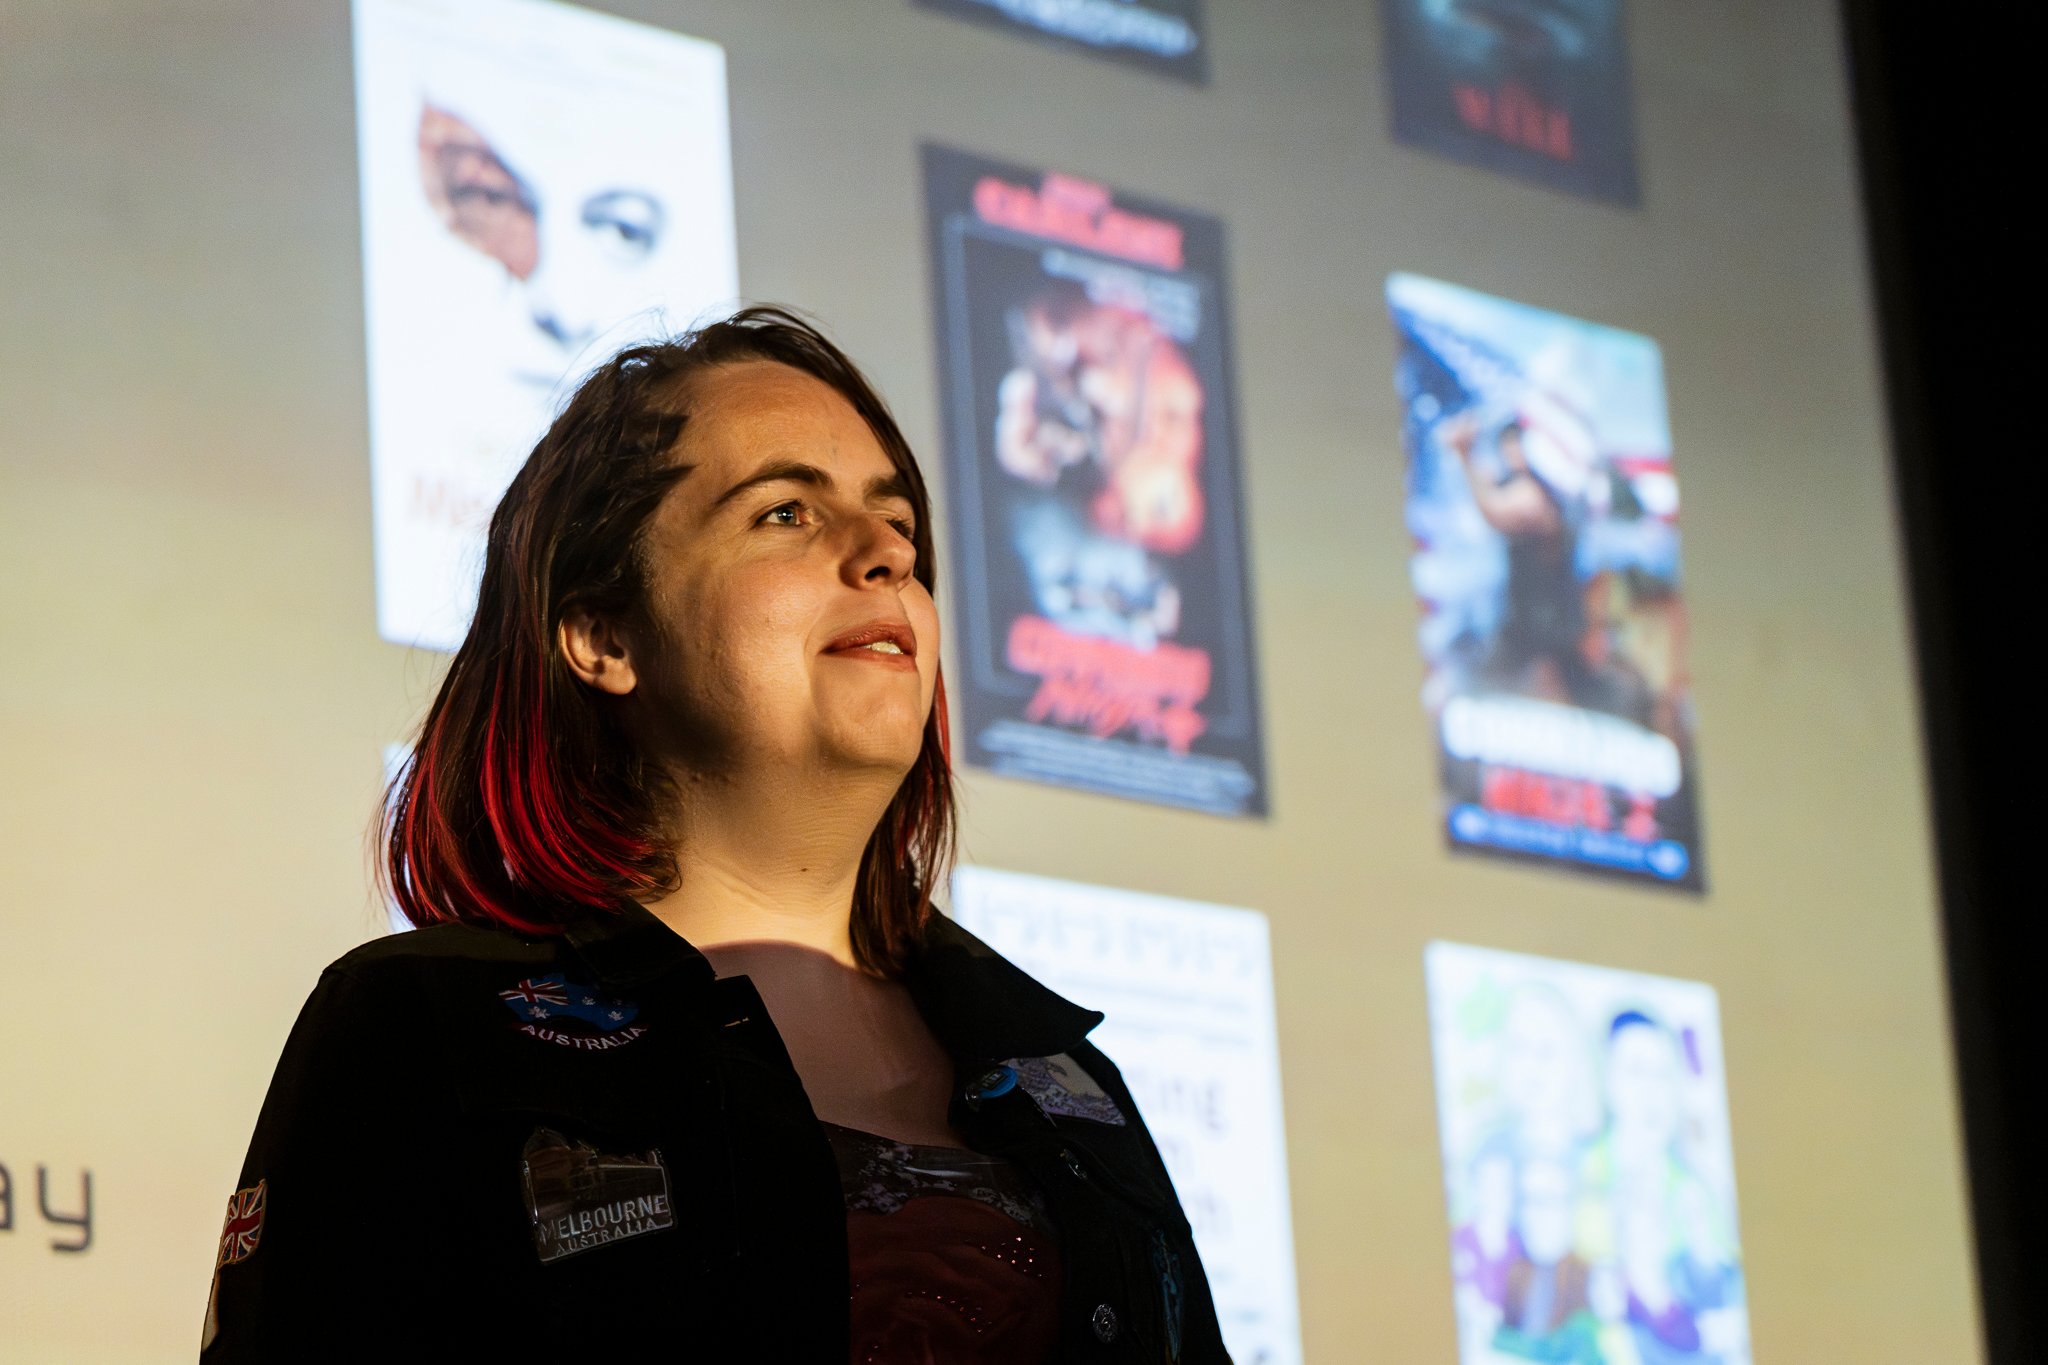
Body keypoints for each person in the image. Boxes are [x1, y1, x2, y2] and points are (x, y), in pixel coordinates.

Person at [201, 308, 1226, 1362]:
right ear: (602, 634)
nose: (881, 553)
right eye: (785, 513)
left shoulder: (1063, 1076)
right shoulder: (422, 1031)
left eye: (899, 530)